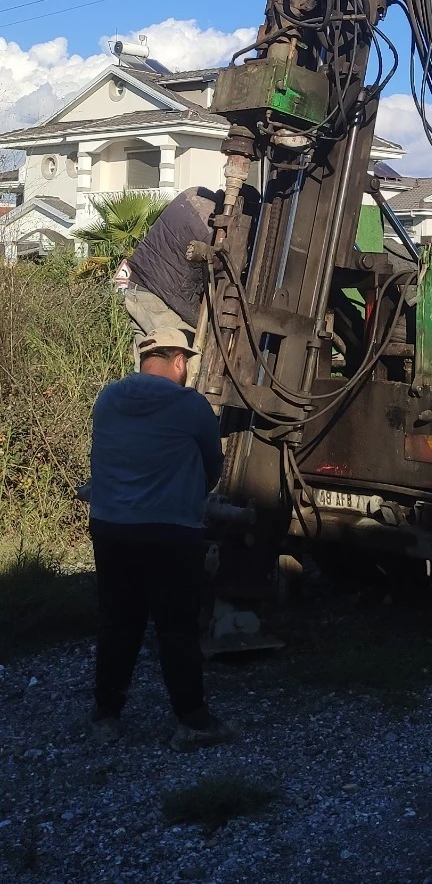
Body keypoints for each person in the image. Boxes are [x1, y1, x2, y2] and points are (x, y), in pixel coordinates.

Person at [88, 326, 233, 750]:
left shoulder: (108, 399)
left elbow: (103, 456)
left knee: (117, 621)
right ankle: (192, 720)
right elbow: (212, 466)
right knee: (175, 626)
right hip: (170, 532)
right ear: (178, 362)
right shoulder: (191, 406)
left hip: (111, 528)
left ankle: (105, 717)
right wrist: (189, 495)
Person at [118, 186, 220, 341]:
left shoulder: (192, 194)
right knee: (180, 356)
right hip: (158, 302)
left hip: (136, 287)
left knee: (147, 359)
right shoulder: (211, 232)